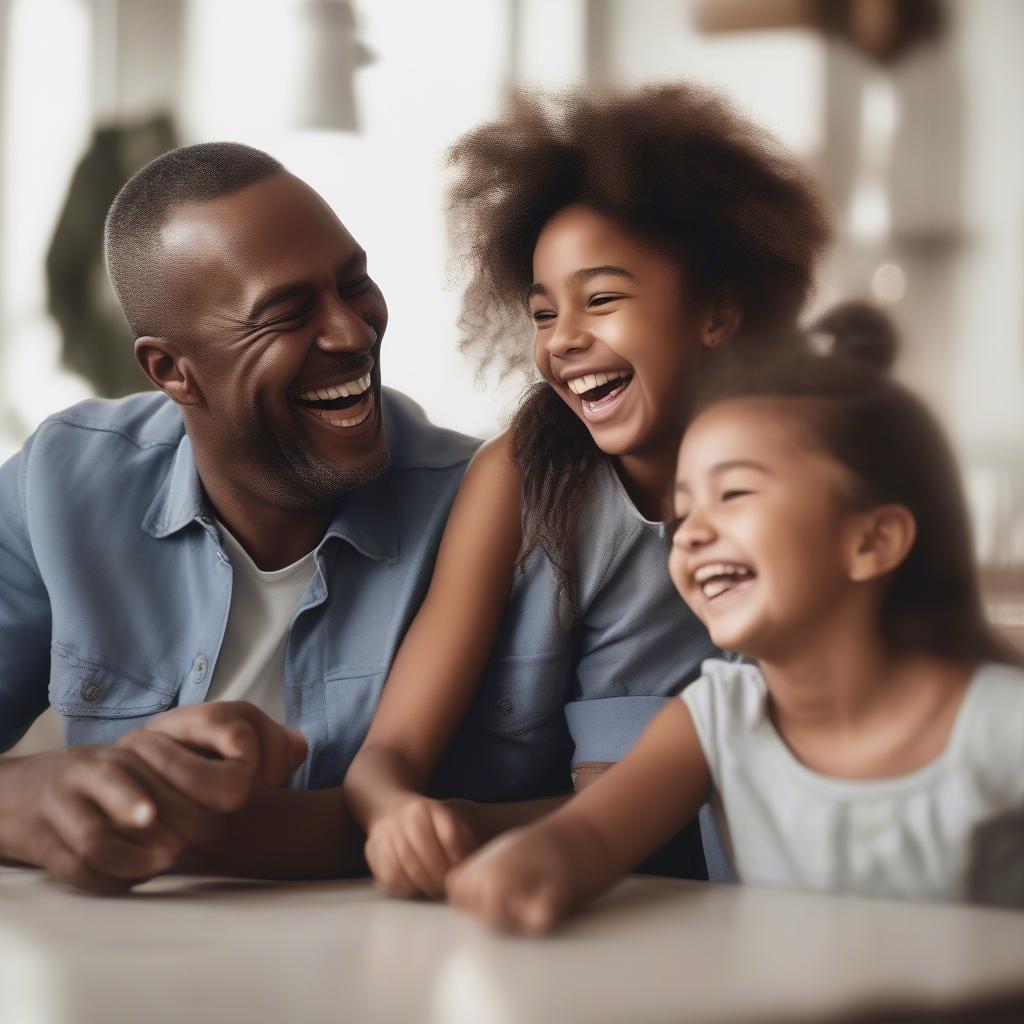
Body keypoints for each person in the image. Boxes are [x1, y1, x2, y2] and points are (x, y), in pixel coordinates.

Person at [343, 84, 831, 896]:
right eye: (541, 314)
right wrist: (395, 811)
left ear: (717, 311)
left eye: (601, 300)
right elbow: (389, 755)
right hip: (521, 875)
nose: (564, 339)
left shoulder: (800, 484)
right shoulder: (518, 479)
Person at [0, 142, 485, 890]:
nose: (353, 333)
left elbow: (635, 810)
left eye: (354, 285)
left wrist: (252, 837)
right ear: (170, 369)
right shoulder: (64, 483)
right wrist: (24, 802)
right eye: (287, 313)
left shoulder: (493, 507)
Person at [444, 348, 1024, 932]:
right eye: (684, 508)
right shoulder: (711, 722)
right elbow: (587, 836)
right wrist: (533, 862)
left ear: (872, 541)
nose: (690, 535)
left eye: (735, 494)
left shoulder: (999, 725)